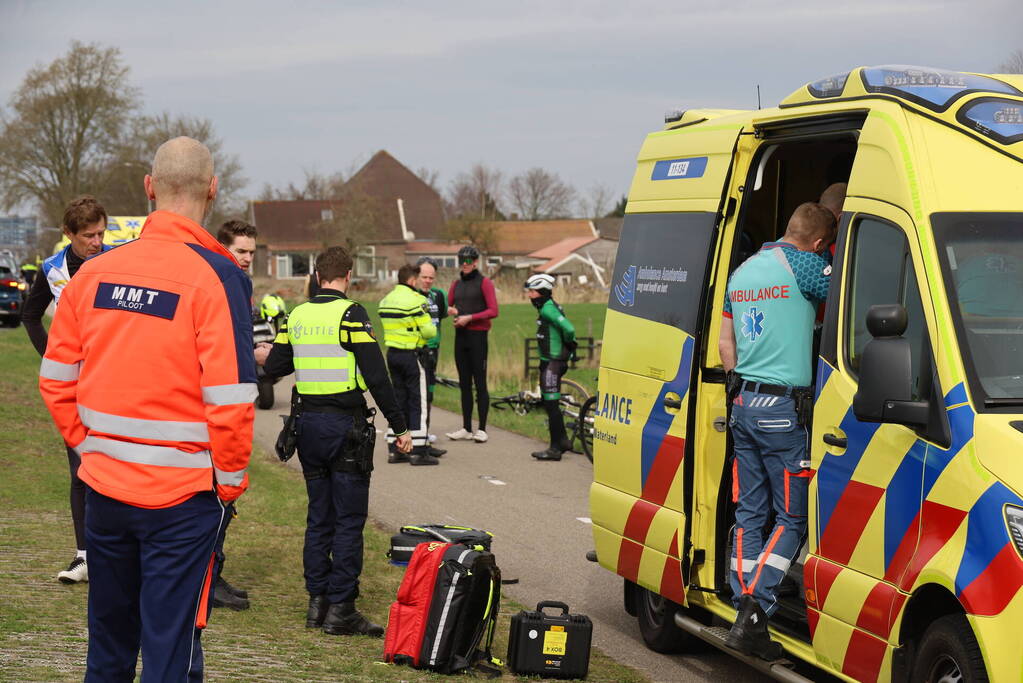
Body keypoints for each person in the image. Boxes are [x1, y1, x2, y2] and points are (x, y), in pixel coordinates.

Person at [39, 137, 255, 680]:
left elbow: (56, 379)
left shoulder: (94, 274)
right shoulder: (221, 277)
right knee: (169, 650)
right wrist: (229, 482)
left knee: (108, 648)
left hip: (105, 493)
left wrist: (89, 449)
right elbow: (232, 399)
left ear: (149, 187)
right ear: (212, 189)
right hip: (183, 498)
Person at [260, 246, 412, 636]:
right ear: (347, 275)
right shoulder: (351, 315)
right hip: (345, 428)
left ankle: (317, 604)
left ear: (316, 275)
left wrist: (266, 353)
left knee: (319, 518)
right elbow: (376, 377)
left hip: (307, 427)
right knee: (348, 520)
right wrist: (400, 427)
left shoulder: (296, 315)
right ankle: (342, 608)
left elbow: (276, 367)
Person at [718, 202, 836, 660]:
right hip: (783, 411)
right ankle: (755, 609)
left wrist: (740, 385)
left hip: (743, 404)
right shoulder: (806, 265)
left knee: (750, 511)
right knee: (792, 518)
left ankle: (742, 607)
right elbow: (850, 294)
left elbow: (725, 343)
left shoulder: (743, 270)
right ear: (819, 243)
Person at [23, 195, 110, 584]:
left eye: (101, 233)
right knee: (80, 468)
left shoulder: (116, 261)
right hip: (75, 386)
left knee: (118, 466)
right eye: (89, 235)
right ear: (68, 234)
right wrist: (54, 360)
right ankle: (84, 555)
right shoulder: (52, 269)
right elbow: (30, 316)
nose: (97, 242)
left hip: (116, 381)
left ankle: (117, 554)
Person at [210, 219, 262, 612]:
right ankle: (207, 580)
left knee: (225, 499)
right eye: (240, 251)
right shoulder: (219, 281)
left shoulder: (240, 282)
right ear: (223, 247)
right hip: (218, 403)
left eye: (251, 253)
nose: (246, 258)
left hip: (234, 398)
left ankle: (214, 571)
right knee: (217, 497)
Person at [379, 263, 438, 465]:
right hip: (412, 355)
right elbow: (429, 332)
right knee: (417, 402)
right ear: (412, 280)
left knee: (398, 400)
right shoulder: (417, 300)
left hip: (392, 354)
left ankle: (395, 449)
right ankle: (418, 451)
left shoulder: (385, 301)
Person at [445, 245, 499, 443]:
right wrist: (451, 311)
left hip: (478, 338)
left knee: (480, 383)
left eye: (468, 261)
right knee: (464, 384)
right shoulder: (456, 284)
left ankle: (482, 429)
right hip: (461, 338)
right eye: (461, 261)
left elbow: (493, 310)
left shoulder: (485, 283)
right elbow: (448, 305)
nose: (464, 264)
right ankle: (466, 428)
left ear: (475, 262)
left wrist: (469, 318)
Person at [524, 273, 578, 461]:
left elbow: (569, 329)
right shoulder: (547, 306)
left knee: (551, 405)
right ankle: (562, 441)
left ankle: (555, 449)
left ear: (542, 291)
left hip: (553, 363)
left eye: (532, 292)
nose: (529, 295)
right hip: (550, 361)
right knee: (550, 404)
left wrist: (570, 343)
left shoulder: (548, 309)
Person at [416, 257, 448, 456]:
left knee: (429, 394)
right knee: (417, 396)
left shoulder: (439, 295)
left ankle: (424, 437)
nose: (427, 281)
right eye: (424, 277)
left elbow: (442, 314)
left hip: (434, 350)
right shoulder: (411, 295)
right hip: (417, 350)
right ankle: (415, 440)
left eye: (431, 277)